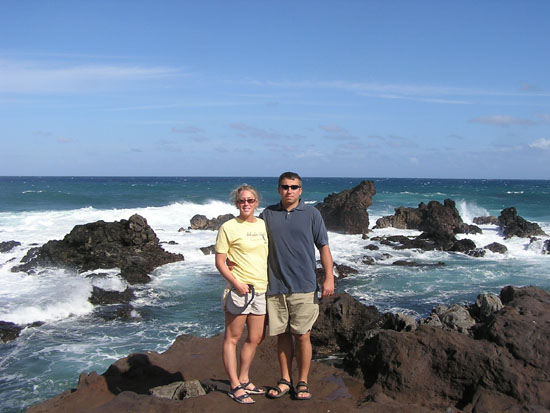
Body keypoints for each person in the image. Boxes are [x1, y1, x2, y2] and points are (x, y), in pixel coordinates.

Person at [260, 172, 334, 401]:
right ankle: (285, 380)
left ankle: (302, 381)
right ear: (278, 189)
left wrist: (329, 277)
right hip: (275, 286)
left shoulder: (312, 213)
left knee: (302, 335)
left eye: (294, 187)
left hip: (304, 286)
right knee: (282, 336)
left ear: (300, 190)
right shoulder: (268, 214)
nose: (289, 190)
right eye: (285, 186)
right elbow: (253, 243)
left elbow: (323, 246)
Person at [215, 184, 269, 404]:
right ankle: (235, 384)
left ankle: (245, 378)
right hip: (239, 290)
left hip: (261, 289)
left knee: (255, 338)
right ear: (236, 203)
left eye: (250, 200)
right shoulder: (228, 227)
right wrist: (236, 283)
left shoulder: (264, 225)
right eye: (241, 201)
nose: (246, 204)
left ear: (256, 202)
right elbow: (220, 262)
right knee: (232, 338)